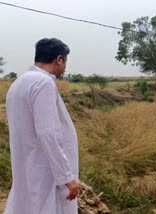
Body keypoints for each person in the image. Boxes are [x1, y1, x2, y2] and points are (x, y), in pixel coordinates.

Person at [4, 38, 79, 214]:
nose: (65, 68)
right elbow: (48, 133)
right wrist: (66, 177)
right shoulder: (43, 83)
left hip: (27, 165)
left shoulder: (19, 82)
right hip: (46, 170)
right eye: (65, 62)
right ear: (59, 59)